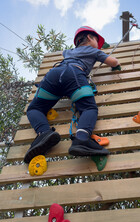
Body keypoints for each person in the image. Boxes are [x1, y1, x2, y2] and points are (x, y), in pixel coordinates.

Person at [24, 26, 120, 164]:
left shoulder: (68, 52)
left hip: (53, 74)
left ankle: (43, 133)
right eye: (96, 41)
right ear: (89, 37)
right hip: (74, 73)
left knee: (34, 109)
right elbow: (114, 62)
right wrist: (114, 64)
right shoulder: (93, 51)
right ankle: (82, 138)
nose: (98, 46)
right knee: (88, 108)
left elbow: (65, 53)